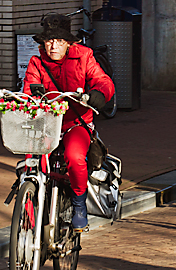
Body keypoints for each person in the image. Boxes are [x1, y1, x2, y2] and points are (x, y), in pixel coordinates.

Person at [22, 13, 115, 232]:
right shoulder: (37, 61)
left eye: (59, 41)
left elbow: (102, 81)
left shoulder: (84, 57)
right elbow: (29, 89)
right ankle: (27, 218)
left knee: (74, 157)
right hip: (45, 123)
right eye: (49, 41)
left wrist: (99, 94)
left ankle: (79, 205)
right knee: (31, 162)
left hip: (76, 122)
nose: (53, 46)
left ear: (68, 43)